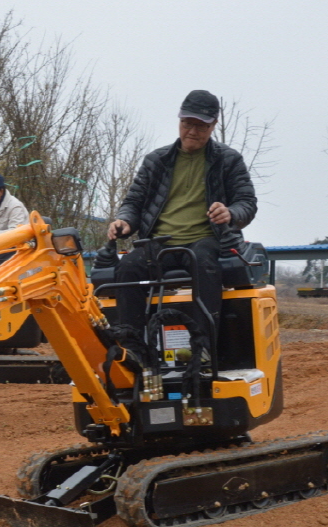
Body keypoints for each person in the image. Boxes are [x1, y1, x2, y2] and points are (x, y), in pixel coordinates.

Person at [105, 89, 257, 346]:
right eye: (187, 124)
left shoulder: (228, 160)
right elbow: (134, 203)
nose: (192, 132)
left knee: (204, 264)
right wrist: (125, 222)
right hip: (160, 242)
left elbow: (247, 203)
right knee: (128, 268)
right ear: (179, 120)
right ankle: (132, 349)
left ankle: (204, 348)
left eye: (201, 126)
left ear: (214, 126)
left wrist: (230, 213)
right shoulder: (156, 160)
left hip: (206, 239)